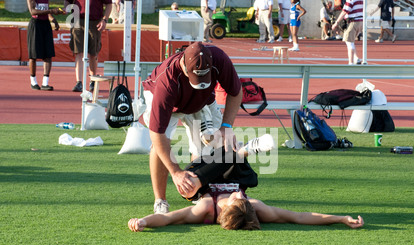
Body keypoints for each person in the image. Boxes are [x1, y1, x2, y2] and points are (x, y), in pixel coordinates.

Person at [128, 141, 364, 232]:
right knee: (234, 159)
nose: (236, 197)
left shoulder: (206, 209)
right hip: (236, 172)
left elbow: (169, 219)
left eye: (235, 199)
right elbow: (300, 217)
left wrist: (144, 221)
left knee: (220, 156)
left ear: (226, 209)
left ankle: (235, 150)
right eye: (242, 199)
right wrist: (340, 218)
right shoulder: (254, 206)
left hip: (201, 178)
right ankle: (239, 150)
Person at [141, 42, 243, 214]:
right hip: (169, 103)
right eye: (197, 78)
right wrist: (175, 172)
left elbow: (235, 91)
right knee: (159, 146)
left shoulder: (220, 59)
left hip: (201, 100)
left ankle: (200, 192)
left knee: (211, 144)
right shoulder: (167, 82)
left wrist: (226, 126)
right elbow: (157, 134)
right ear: (185, 69)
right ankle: (160, 200)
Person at [65, 0, 112, 92]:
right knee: (78, 51)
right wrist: (66, 9)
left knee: (93, 53)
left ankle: (93, 79)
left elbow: (109, 4)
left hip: (95, 21)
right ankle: (79, 82)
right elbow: (67, 1)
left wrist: (105, 20)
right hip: (77, 20)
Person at [27, 0, 64, 91]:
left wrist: (53, 20)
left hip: (46, 24)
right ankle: (33, 81)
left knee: (48, 54)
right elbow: (33, 11)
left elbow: (46, 10)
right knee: (33, 55)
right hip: (35, 24)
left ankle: (45, 83)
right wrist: (51, 11)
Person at [332, 0, 363, 65]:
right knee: (351, 41)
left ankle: (350, 63)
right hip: (360, 22)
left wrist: (336, 23)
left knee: (349, 42)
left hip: (353, 22)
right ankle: (356, 58)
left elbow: (344, 11)